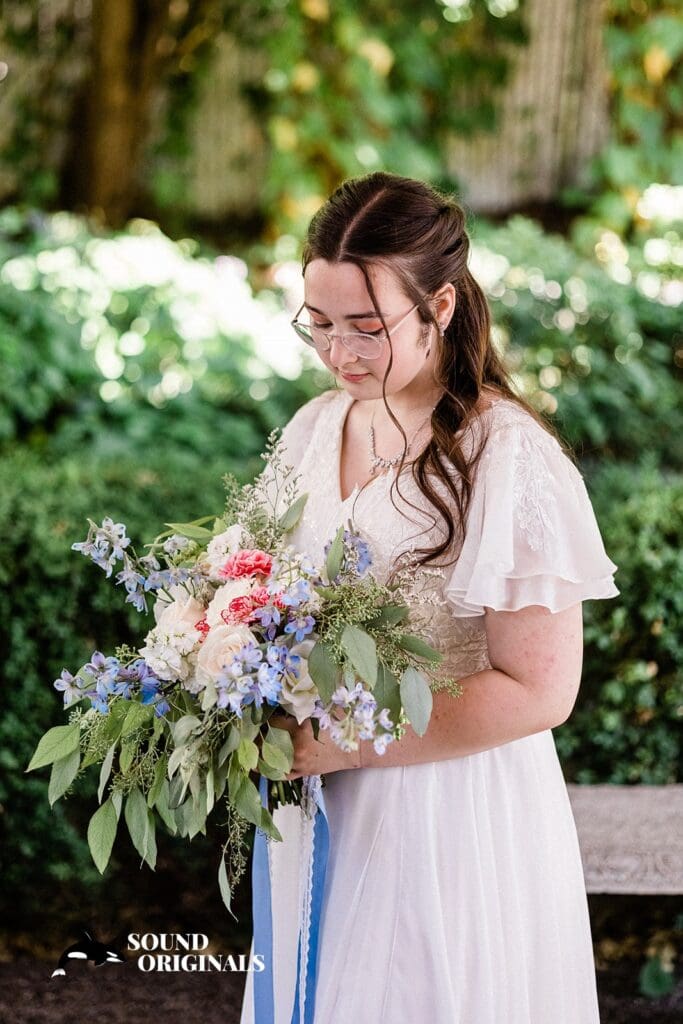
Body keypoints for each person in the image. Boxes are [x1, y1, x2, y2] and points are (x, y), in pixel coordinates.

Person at [239, 171, 619, 1023]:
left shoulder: (505, 455)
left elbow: (539, 689)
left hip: (450, 818)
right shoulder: (311, 429)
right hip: (314, 802)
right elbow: (256, 592)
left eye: (366, 328)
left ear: (438, 306)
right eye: (319, 323)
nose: (340, 353)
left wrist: (347, 742)